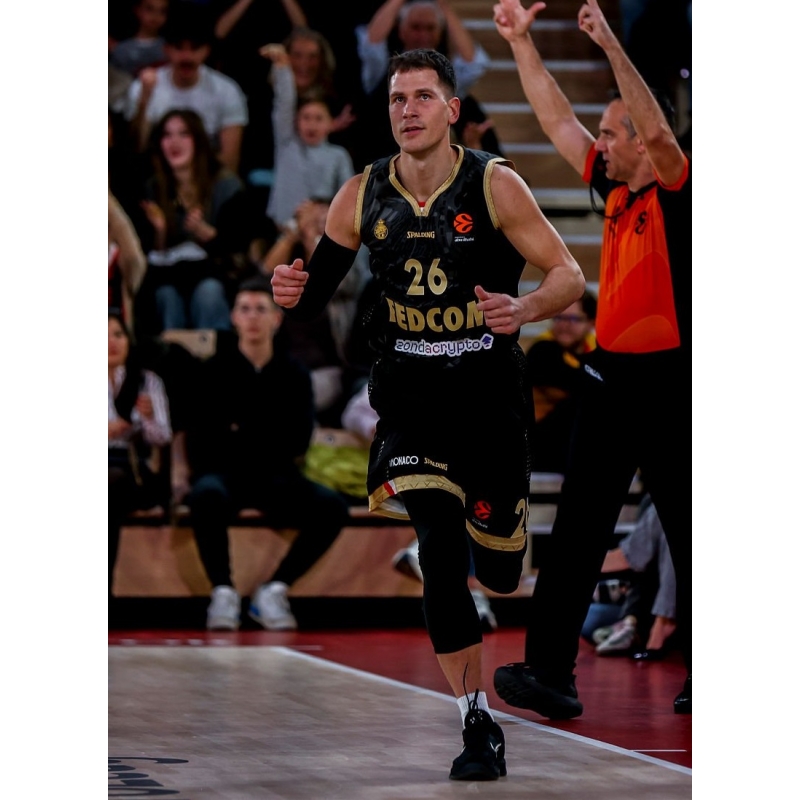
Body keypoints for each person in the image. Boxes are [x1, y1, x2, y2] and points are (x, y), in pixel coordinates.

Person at [270, 48, 584, 781]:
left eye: (421, 97)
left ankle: (495, 548)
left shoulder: (494, 185)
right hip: (410, 399)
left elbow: (568, 274)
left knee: (498, 573)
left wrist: (525, 308)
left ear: (452, 110)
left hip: (488, 401)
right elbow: (313, 296)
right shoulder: (360, 193)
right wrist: (291, 289)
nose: (407, 110)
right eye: (396, 99)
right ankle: (476, 721)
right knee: (439, 552)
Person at [491, 0, 691, 717]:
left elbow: (660, 130)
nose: (598, 143)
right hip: (610, 376)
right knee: (577, 527)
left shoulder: (676, 188)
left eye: (610, 133)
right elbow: (554, 119)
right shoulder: (612, 188)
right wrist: (520, 43)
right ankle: (550, 672)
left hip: (671, 383)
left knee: (692, 528)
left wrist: (609, 43)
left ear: (640, 139)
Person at [176, 276, 351, 632]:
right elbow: (203, 437)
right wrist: (256, 434)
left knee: (332, 507)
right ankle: (222, 591)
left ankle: (274, 589)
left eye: (260, 309)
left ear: (276, 318)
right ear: (234, 318)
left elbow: (297, 440)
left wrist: (240, 430)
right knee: (205, 496)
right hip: (226, 475)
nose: (252, 317)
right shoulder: (212, 371)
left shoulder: (294, 374)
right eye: (245, 309)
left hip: (276, 476)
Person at [351, 0, 501, 170]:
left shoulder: (446, 73)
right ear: (401, 30)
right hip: (385, 158)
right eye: (416, 27)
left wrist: (443, 6)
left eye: (430, 28)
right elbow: (371, 44)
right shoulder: (383, 69)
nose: (423, 35)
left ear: (440, 32)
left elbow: (473, 64)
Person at [138, 109, 251, 335]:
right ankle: (169, 354)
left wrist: (206, 233)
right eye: (167, 135)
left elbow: (239, 247)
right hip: (170, 277)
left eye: (184, 134)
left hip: (216, 273)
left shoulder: (225, 186)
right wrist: (160, 231)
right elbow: (150, 257)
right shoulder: (153, 187)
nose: (174, 142)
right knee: (166, 296)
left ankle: (215, 353)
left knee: (208, 293)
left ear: (198, 140)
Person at [262, 197, 370, 424]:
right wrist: (292, 234)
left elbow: (337, 281)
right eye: (315, 218)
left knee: (292, 398)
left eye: (325, 218)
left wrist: (313, 237)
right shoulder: (294, 256)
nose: (320, 224)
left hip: (329, 368)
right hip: (286, 364)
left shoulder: (347, 256)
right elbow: (264, 276)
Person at [123, 7, 249, 173]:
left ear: (207, 50)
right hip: (157, 176)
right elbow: (137, 149)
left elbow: (230, 161)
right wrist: (144, 100)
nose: (187, 57)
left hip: (208, 177)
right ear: (166, 49)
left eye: (195, 48)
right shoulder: (143, 87)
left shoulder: (227, 91)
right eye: (179, 48)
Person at [259, 42, 355, 233]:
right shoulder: (287, 144)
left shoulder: (338, 155)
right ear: (296, 121)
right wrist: (283, 67)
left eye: (319, 119)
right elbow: (284, 104)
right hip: (280, 231)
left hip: (320, 231)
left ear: (331, 123)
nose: (311, 125)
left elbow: (350, 198)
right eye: (306, 118)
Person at [108, 311, 172, 596]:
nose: (111, 342)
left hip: (133, 470)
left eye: (118, 335)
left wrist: (148, 419)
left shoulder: (146, 381)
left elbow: (162, 437)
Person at [526, 291, 596, 474]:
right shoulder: (542, 350)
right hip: (539, 445)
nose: (564, 325)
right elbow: (578, 386)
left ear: (591, 322)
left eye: (573, 319)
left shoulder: (593, 351)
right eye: (559, 317)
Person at [109, 0, 169, 77]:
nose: (155, 15)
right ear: (138, 10)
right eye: (150, 9)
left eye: (162, 11)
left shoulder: (171, 49)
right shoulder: (122, 49)